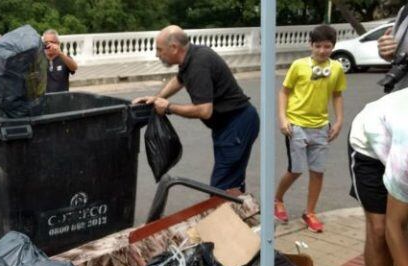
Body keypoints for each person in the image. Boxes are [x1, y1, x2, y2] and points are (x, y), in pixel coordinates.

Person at [132, 25, 259, 192]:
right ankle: (238, 214)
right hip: (231, 125)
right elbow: (179, 80)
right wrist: (158, 98)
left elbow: (205, 111)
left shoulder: (198, 64)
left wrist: (169, 107)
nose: (157, 54)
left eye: (159, 49)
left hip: (236, 125)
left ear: (174, 48)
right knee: (232, 180)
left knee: (221, 186)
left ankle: (225, 216)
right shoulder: (192, 57)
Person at [273, 25, 346, 233]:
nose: (323, 50)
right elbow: (284, 92)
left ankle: (310, 212)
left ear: (333, 47)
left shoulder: (337, 68)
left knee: (318, 172)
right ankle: (278, 199)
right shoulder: (299, 65)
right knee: (295, 170)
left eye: (327, 46)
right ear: (310, 45)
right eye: (318, 46)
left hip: (321, 128)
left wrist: (339, 121)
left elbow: (337, 95)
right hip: (296, 126)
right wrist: (283, 118)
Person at [348, 87, 408, 266]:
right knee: (381, 228)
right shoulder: (405, 159)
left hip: (395, 131)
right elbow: (396, 226)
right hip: (369, 147)